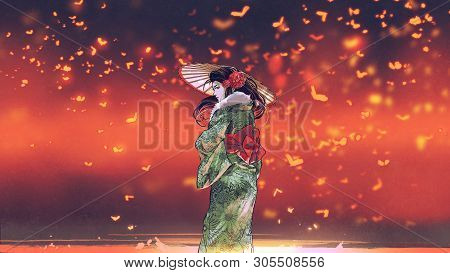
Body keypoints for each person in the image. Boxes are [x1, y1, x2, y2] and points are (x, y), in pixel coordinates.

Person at [179, 64, 275, 253]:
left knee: (219, 225)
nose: (215, 93)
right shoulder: (245, 108)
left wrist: (201, 142)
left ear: (229, 86)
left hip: (229, 174)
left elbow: (207, 141)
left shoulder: (228, 110)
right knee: (239, 227)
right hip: (247, 177)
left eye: (216, 87)